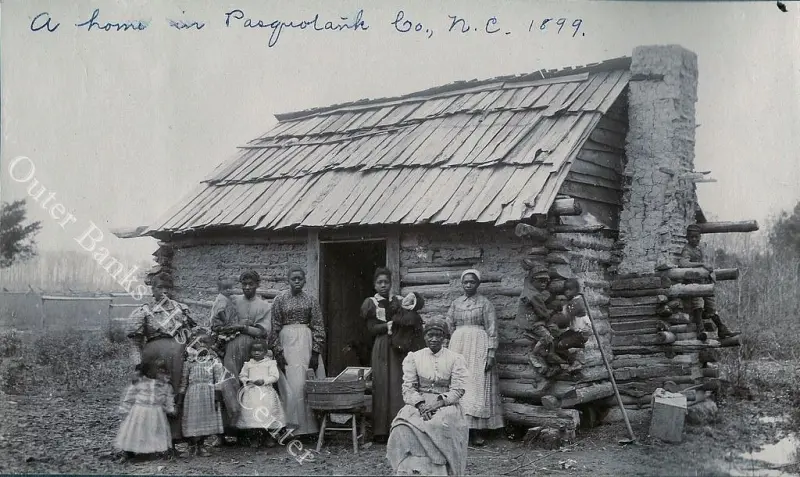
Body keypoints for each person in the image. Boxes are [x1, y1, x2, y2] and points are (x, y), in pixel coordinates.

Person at [386, 317, 470, 476]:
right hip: (420, 402)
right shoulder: (414, 357)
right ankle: (409, 470)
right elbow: (408, 387)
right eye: (430, 335)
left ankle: (438, 470)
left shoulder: (455, 359)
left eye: (439, 335)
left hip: (445, 403)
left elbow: (458, 390)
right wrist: (420, 404)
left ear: (445, 338)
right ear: (424, 336)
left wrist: (438, 404)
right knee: (401, 426)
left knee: (439, 424)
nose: (434, 339)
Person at [128, 273, 195, 445]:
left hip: (177, 358)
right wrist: (137, 366)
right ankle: (151, 439)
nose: (164, 292)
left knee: (175, 393)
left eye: (168, 288)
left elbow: (191, 335)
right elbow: (135, 343)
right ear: (152, 289)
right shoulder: (144, 312)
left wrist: (189, 354)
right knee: (154, 395)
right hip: (153, 362)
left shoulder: (181, 309)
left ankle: (174, 437)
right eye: (159, 288)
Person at [445, 269, 504, 446]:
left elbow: (492, 329)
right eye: (465, 282)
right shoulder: (456, 304)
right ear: (461, 284)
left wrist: (491, 353)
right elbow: (449, 324)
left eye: (472, 282)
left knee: (477, 387)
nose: (468, 285)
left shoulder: (485, 304)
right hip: (459, 346)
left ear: (478, 284)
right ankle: (459, 429)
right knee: (460, 383)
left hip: (479, 346)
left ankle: (477, 431)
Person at [270, 267, 326, 436]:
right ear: (288, 280)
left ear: (304, 280)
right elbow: (274, 326)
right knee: (291, 385)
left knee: (305, 383)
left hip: (305, 343)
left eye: (300, 279)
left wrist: (315, 352)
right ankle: (291, 428)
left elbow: (318, 326)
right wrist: (278, 351)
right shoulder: (280, 300)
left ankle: (309, 429)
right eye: (293, 278)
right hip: (286, 342)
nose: (296, 281)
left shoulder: (311, 300)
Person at [362, 267, 405, 444]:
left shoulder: (398, 301)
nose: (383, 285)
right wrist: (387, 326)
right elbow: (370, 328)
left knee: (396, 383)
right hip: (381, 345)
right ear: (374, 284)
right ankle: (380, 431)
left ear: (391, 283)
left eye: (386, 282)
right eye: (379, 282)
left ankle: (398, 427)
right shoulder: (371, 302)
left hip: (397, 346)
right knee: (380, 384)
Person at [679, 224, 740, 341]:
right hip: (693, 283)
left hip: (703, 282)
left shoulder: (698, 249)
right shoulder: (687, 249)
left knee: (711, 306)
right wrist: (701, 265)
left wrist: (709, 272)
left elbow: (705, 262)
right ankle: (700, 330)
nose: (694, 239)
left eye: (697, 237)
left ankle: (722, 328)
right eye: (692, 237)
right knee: (698, 304)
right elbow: (683, 263)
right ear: (687, 238)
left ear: (700, 237)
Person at [114, 360, 176, 460]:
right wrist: (125, 408)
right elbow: (130, 396)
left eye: (164, 372)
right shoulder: (141, 383)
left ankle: (154, 451)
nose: (162, 374)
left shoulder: (166, 386)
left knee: (155, 431)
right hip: (140, 410)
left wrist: (170, 408)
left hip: (157, 412)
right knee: (137, 431)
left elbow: (169, 399)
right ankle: (129, 451)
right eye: (159, 372)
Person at [177, 332, 226, 457]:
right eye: (199, 343)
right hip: (193, 395)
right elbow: (183, 381)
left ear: (210, 345)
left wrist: (217, 396)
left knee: (206, 420)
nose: (202, 345)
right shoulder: (189, 362)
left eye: (205, 343)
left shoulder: (213, 361)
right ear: (194, 345)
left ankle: (202, 445)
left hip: (208, 394)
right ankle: (192, 446)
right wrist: (181, 398)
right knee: (192, 420)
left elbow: (219, 379)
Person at [237, 342, 288, 447]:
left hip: (266, 393)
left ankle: (268, 437)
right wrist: (248, 381)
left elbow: (275, 376)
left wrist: (264, 381)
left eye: (259, 351)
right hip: (252, 394)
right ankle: (255, 438)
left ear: (265, 352)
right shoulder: (248, 364)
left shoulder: (270, 363)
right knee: (254, 415)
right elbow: (242, 375)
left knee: (267, 414)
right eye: (254, 351)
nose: (256, 353)